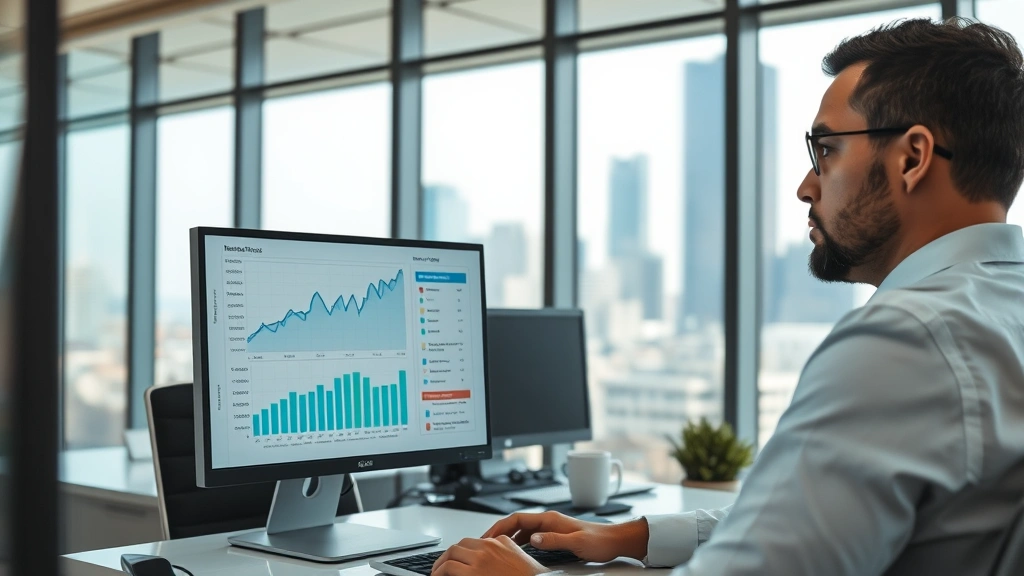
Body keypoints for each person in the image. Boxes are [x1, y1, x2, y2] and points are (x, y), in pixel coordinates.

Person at [428, 17, 1024, 576]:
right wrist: (627, 536)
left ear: (912, 157)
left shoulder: (907, 338)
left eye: (827, 149)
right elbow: (801, 522)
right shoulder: (998, 308)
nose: (805, 185)